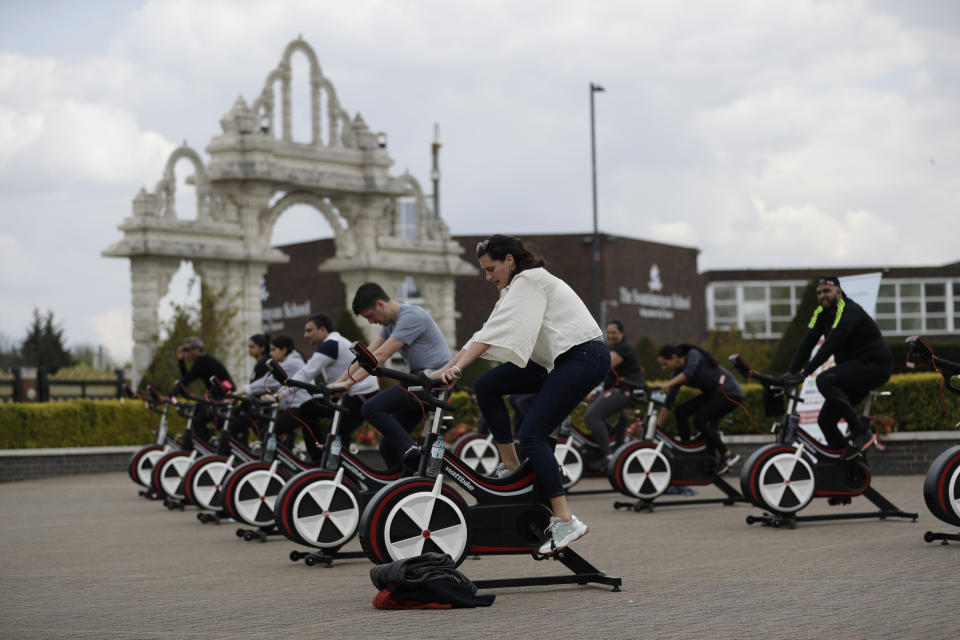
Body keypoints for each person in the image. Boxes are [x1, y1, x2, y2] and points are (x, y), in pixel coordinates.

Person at [431, 234, 609, 556]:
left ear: (509, 260)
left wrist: (454, 370)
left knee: (532, 435)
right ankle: (511, 467)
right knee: (487, 386)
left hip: (583, 357)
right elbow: (485, 331)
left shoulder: (530, 280)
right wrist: (446, 368)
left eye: (491, 269)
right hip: (560, 360)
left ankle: (566, 520)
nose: (488, 277)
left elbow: (490, 334)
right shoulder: (515, 287)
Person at [330, 283, 452, 469]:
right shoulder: (392, 323)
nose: (371, 322)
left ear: (380, 304)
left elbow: (379, 357)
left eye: (370, 316)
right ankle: (406, 486)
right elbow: (369, 352)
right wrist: (337, 383)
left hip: (433, 383)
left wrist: (348, 385)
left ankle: (414, 454)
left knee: (370, 408)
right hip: (417, 382)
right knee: (388, 446)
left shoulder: (411, 317)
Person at [783, 275, 893, 459]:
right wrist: (790, 373)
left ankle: (861, 433)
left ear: (839, 292)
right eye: (819, 293)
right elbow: (806, 344)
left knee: (824, 380)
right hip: (854, 369)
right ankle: (845, 463)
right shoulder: (820, 314)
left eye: (827, 291)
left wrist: (804, 373)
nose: (822, 296)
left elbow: (831, 344)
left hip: (875, 366)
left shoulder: (850, 310)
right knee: (825, 421)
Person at [265, 314, 379, 462]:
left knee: (334, 435)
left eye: (309, 330)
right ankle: (326, 465)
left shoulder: (331, 344)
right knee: (314, 413)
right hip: (351, 396)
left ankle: (321, 462)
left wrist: (278, 396)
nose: (305, 335)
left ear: (323, 330)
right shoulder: (333, 343)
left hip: (360, 397)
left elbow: (306, 373)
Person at [655, 344, 743, 473]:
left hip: (729, 393)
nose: (664, 368)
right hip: (713, 394)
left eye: (665, 364)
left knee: (699, 420)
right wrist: (656, 428)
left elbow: (688, 373)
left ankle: (729, 454)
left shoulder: (693, 354)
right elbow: (668, 403)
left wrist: (665, 385)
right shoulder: (677, 374)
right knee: (681, 411)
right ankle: (687, 450)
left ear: (674, 358)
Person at [582, 320, 645, 461]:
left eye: (614, 333)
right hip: (620, 390)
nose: (610, 335)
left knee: (592, 416)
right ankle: (616, 439)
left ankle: (609, 455)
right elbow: (607, 377)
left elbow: (604, 365)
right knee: (592, 414)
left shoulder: (624, 348)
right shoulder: (616, 348)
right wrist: (597, 392)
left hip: (628, 391)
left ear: (621, 333)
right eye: (608, 332)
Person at [242, 335, 306, 448]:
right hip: (291, 408)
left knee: (267, 431)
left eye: (273, 350)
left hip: (300, 407)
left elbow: (268, 382)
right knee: (260, 426)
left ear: (284, 350)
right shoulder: (286, 362)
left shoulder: (292, 363)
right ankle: (284, 451)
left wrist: (240, 392)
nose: (270, 353)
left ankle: (280, 456)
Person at [176, 336, 234, 442]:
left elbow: (186, 380)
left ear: (198, 348)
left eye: (188, 350)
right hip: (217, 395)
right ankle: (207, 442)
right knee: (197, 412)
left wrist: (170, 395)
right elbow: (186, 378)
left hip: (223, 396)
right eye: (185, 350)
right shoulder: (202, 359)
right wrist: (181, 360)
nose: (187, 353)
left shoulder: (203, 360)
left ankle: (205, 445)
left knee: (198, 418)